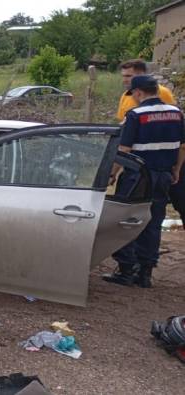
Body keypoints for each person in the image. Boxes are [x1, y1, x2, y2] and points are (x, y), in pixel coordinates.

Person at [103, 75, 185, 288]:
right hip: (164, 175)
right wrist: (176, 169)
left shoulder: (136, 115)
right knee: (153, 222)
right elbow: (182, 146)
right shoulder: (176, 113)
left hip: (137, 176)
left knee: (125, 221)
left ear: (138, 92)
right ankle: (145, 273)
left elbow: (124, 150)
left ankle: (126, 269)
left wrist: (111, 173)